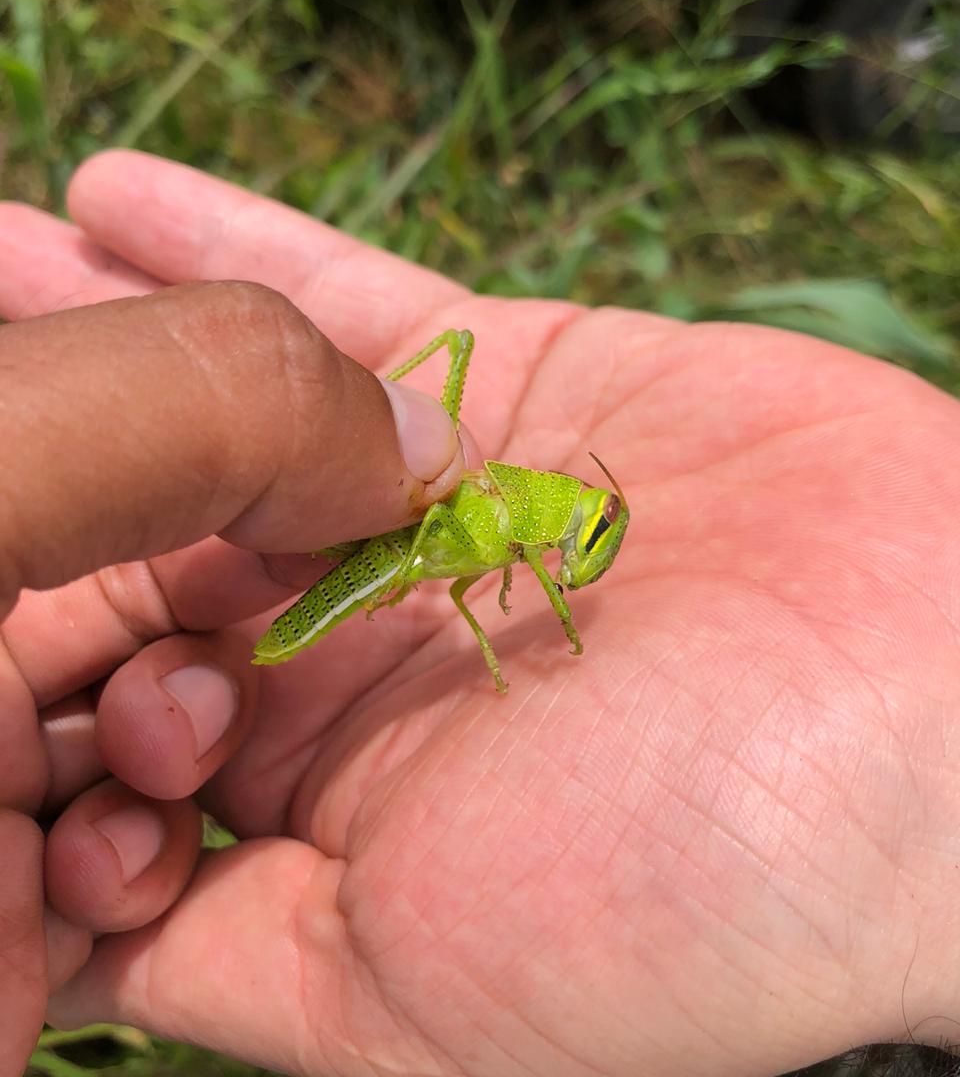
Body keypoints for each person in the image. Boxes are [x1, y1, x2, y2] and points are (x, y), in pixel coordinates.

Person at [1, 151, 959, 1077]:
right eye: (588, 528)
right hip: (422, 534)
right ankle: (382, 414)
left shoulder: (552, 526)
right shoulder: (530, 518)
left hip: (441, 548)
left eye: (588, 531)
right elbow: (490, 560)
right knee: (454, 361)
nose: (584, 547)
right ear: (571, 518)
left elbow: (496, 573)